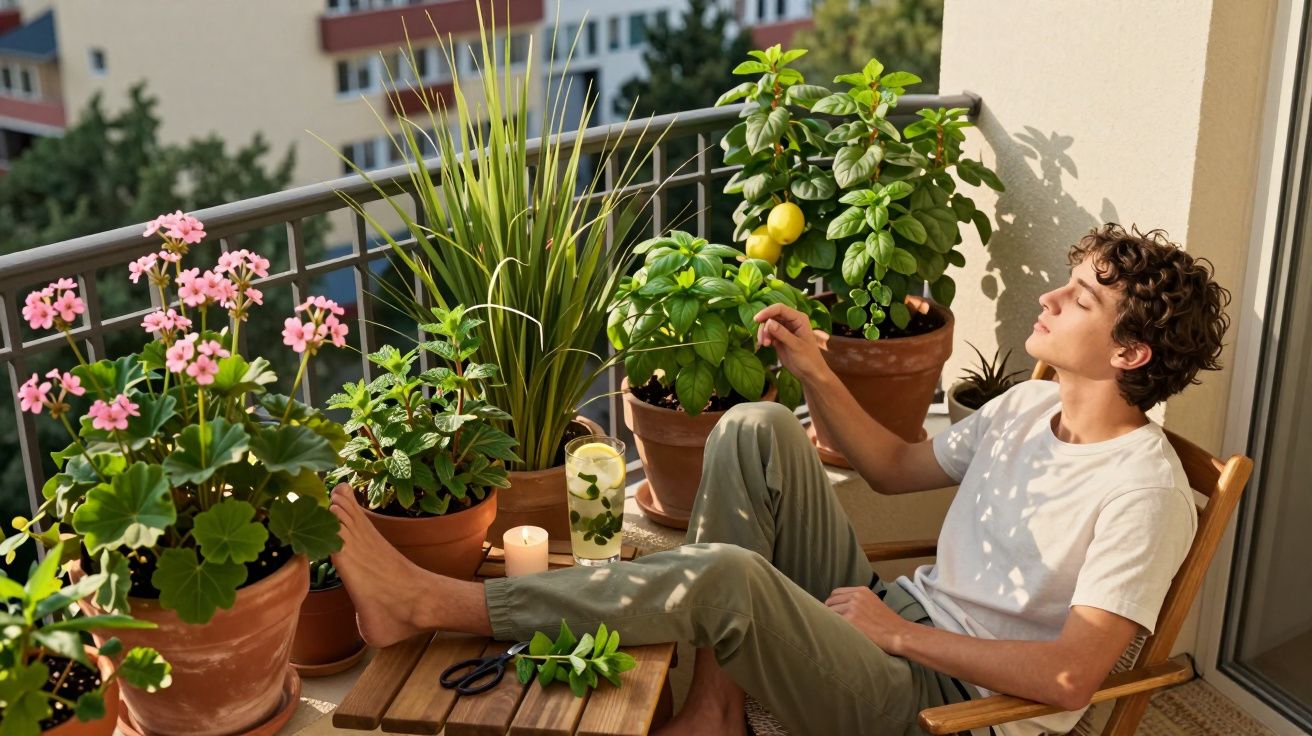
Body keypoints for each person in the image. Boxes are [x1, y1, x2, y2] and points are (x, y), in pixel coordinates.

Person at [328, 223, 1231, 736]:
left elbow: (1070, 677)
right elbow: (895, 467)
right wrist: (815, 372)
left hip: (951, 704)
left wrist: (899, 636)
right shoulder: (1028, 407)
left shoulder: (1143, 493)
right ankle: (717, 708)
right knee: (753, 427)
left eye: (1080, 298)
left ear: (1129, 352)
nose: (1050, 298)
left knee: (725, 578)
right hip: (898, 620)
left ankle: (436, 604)